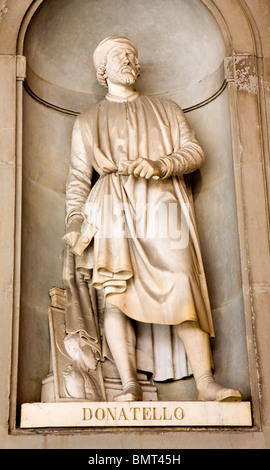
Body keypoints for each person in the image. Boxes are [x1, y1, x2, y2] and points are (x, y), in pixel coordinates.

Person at [63, 36, 242, 402]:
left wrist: (161, 165)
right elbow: (79, 178)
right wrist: (74, 221)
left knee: (182, 279)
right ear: (103, 70)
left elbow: (194, 151)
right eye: (117, 57)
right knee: (115, 293)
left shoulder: (167, 108)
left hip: (162, 201)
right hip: (111, 204)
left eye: (131, 56)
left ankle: (205, 382)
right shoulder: (87, 121)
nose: (127, 61)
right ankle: (130, 383)